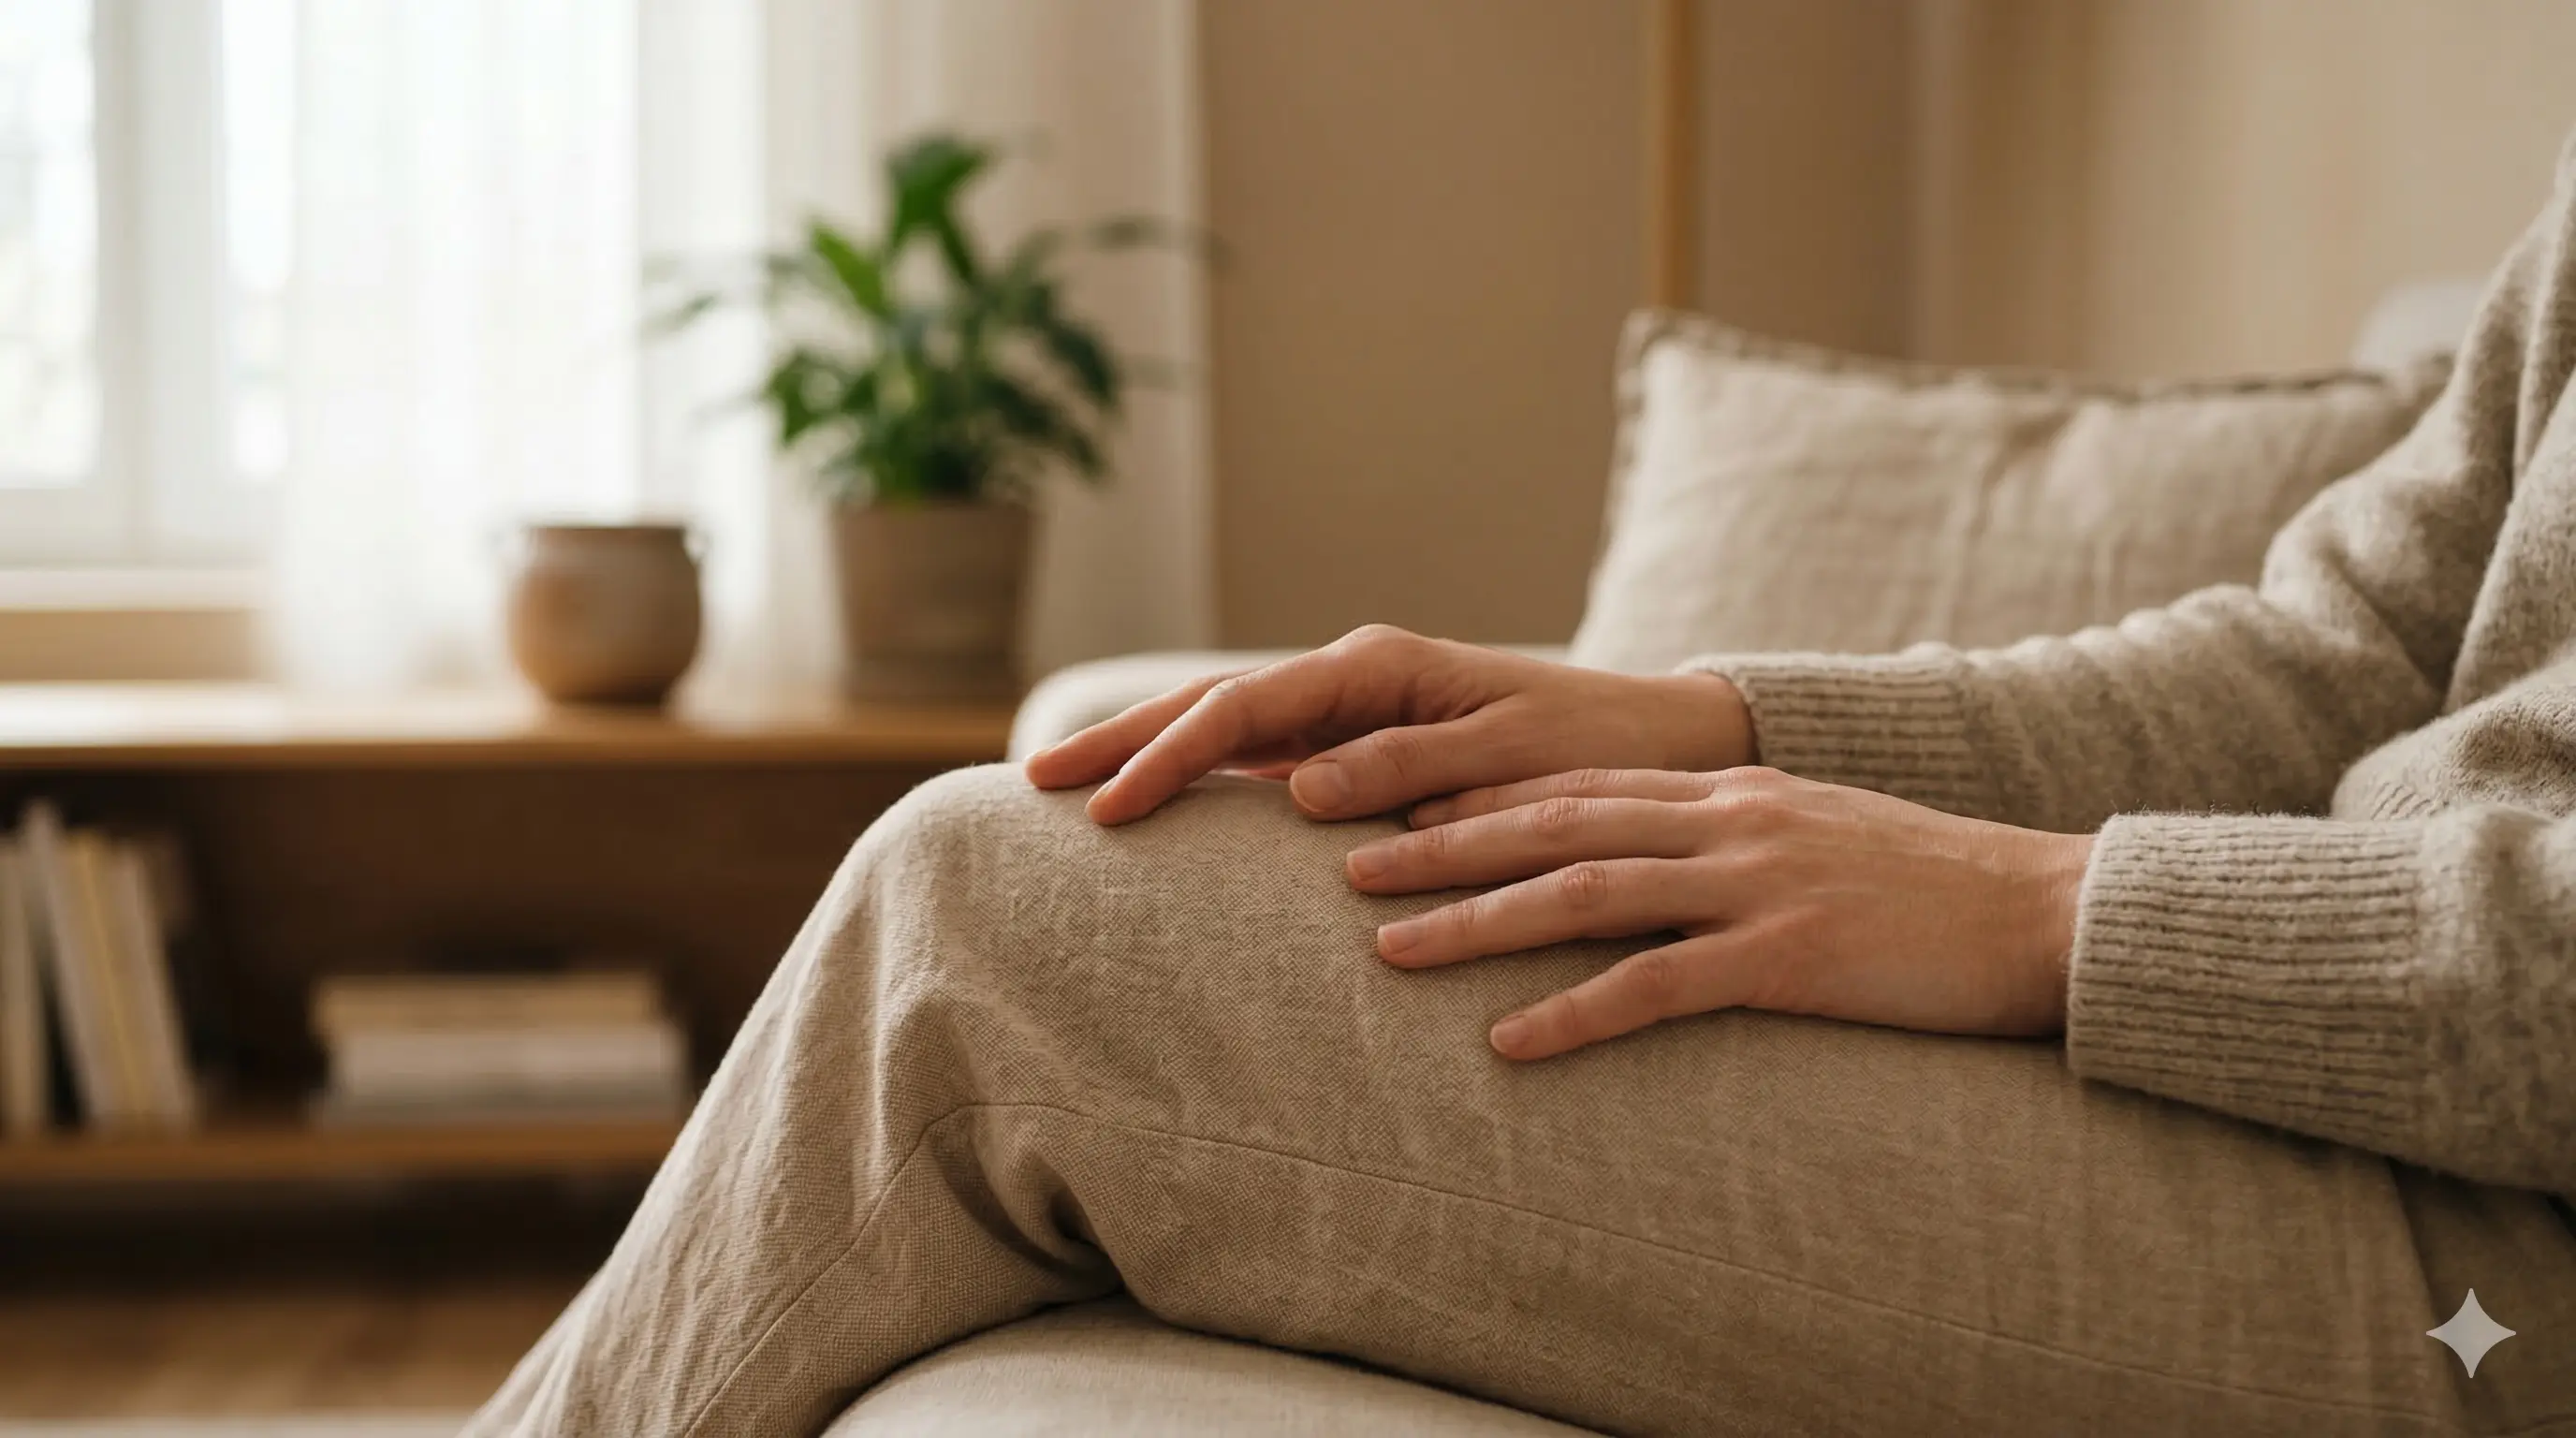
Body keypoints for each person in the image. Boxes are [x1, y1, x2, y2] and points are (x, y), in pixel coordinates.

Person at [465, 139, 2576, 1438]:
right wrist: (1711, 726)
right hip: (2314, 1090)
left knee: (995, 938)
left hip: (2502, 1278)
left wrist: (2052, 910)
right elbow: (2335, 657)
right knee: (1074, 856)